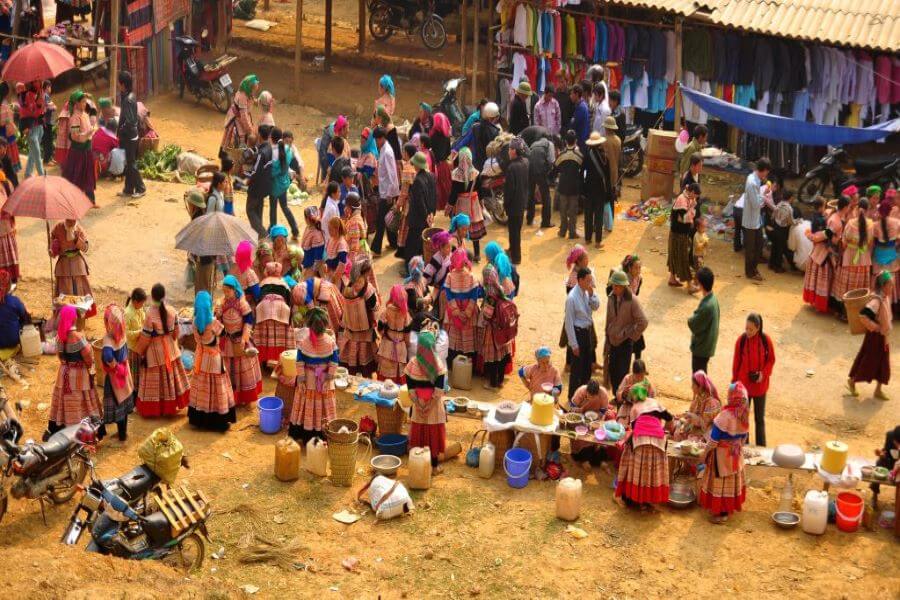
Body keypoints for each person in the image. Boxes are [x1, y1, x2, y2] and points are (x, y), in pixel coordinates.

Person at [133, 284, 189, 417]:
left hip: (154, 352)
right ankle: (170, 406)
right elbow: (176, 333)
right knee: (171, 379)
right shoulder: (172, 310)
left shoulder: (150, 313)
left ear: (152, 297)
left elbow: (146, 337)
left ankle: (155, 409)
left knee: (154, 381)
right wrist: (172, 341)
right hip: (170, 349)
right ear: (164, 295)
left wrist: (139, 351)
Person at [615, 384, 672, 510]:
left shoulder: (635, 408)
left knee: (636, 468)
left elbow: (635, 429)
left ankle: (631, 497)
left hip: (641, 440)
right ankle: (648, 499)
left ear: (634, 398)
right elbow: (670, 418)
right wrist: (665, 430)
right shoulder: (656, 403)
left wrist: (626, 444)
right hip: (659, 441)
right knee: (651, 469)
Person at [47, 305, 101, 438]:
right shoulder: (78, 337)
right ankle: (81, 434)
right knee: (81, 402)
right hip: (79, 376)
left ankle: (61, 431)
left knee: (63, 401)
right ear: (72, 318)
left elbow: (60, 357)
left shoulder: (59, 337)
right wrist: (90, 369)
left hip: (64, 373)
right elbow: (89, 358)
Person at [699, 382, 750, 523]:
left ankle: (721, 514)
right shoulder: (744, 415)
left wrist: (704, 454)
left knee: (720, 485)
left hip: (721, 457)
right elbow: (744, 438)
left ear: (731, 397)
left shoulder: (724, 416)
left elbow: (713, 440)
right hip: (735, 455)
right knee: (731, 484)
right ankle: (727, 509)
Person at [288, 307, 340, 442]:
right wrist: (329, 376)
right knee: (323, 408)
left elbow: (299, 361)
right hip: (324, 382)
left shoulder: (304, 342)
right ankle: (323, 433)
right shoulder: (330, 342)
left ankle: (306, 434)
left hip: (308, 380)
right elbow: (334, 360)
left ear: (309, 326)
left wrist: (301, 377)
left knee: (307, 407)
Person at [406, 329, 452, 473]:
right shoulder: (438, 364)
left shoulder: (412, 364)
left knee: (419, 434)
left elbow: (411, 389)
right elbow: (438, 391)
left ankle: (419, 465)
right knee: (433, 434)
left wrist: (419, 405)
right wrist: (429, 406)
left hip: (418, 403)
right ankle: (434, 466)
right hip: (433, 406)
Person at [847, 271, 893, 401]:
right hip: (875, 337)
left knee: (884, 364)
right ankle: (852, 381)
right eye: (890, 285)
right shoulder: (876, 301)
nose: (892, 287)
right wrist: (875, 327)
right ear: (883, 286)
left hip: (883, 337)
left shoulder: (885, 297)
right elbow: (863, 315)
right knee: (868, 361)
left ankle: (878, 390)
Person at [217, 275, 263, 405]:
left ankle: (243, 397)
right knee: (228, 367)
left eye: (228, 291)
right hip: (227, 340)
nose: (226, 294)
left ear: (234, 289)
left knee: (241, 367)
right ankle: (231, 396)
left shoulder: (242, 303)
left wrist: (244, 338)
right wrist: (218, 314)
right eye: (224, 291)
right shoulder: (222, 302)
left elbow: (249, 321)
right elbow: (219, 321)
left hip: (240, 340)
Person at [731, 313, 775, 446]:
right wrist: (734, 384)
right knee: (743, 419)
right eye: (746, 328)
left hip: (760, 387)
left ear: (758, 328)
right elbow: (736, 363)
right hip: (744, 388)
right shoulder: (741, 340)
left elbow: (771, 360)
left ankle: (762, 448)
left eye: (751, 329)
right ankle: (744, 447)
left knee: (759, 419)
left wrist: (762, 374)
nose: (748, 332)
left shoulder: (766, 340)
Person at [804, 195, 849, 313]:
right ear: (845, 207)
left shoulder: (832, 215)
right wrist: (813, 237)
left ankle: (817, 302)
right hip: (826, 252)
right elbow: (826, 235)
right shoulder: (836, 220)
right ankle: (820, 304)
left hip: (822, 250)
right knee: (824, 279)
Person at [605, 269, 648, 395]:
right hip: (613, 342)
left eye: (617, 285)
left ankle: (621, 400)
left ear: (624, 286)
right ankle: (615, 396)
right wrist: (607, 336)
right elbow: (609, 319)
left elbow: (643, 321)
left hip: (625, 343)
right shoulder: (611, 297)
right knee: (613, 372)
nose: (614, 288)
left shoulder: (632, 301)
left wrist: (630, 335)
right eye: (613, 285)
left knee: (622, 374)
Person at [99, 304, 135, 441]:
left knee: (117, 403)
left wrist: (113, 365)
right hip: (125, 372)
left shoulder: (108, 339)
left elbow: (107, 356)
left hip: (115, 376)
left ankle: (121, 435)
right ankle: (123, 433)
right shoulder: (123, 334)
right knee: (124, 402)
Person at [339, 258, 380, 376]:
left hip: (351, 331)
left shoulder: (347, 288)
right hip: (365, 334)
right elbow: (375, 308)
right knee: (364, 361)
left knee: (352, 360)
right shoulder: (368, 290)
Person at [479, 257, 515, 390]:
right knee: (502, 356)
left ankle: (492, 383)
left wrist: (482, 317)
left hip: (493, 331)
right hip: (503, 330)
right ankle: (500, 381)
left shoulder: (490, 294)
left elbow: (487, 315)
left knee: (493, 358)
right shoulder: (500, 290)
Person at [565, 267, 600, 399]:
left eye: (591, 280)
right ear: (580, 280)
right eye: (588, 281)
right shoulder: (572, 298)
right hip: (578, 334)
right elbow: (569, 323)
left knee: (587, 367)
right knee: (577, 369)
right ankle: (572, 398)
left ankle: (585, 395)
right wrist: (573, 344)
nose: (590, 283)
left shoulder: (587, 292)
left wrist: (592, 294)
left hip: (587, 333)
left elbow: (596, 306)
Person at [442, 248, 480, 364]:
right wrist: (467, 313)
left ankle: (452, 364)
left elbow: (449, 296)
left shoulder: (449, 276)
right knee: (468, 338)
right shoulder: (472, 276)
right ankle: (468, 366)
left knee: (454, 337)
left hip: (454, 313)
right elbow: (474, 297)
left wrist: (456, 311)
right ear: (465, 261)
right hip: (469, 311)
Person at [834, 198, 874, 305]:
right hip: (863, 258)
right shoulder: (871, 224)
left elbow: (844, 242)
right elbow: (870, 244)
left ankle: (843, 309)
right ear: (868, 209)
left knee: (847, 284)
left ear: (857, 208)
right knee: (860, 285)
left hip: (849, 257)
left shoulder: (850, 223)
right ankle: (858, 306)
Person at [49, 220, 95, 315]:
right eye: (69, 219)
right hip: (63, 267)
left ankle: (80, 315)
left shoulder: (79, 229)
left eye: (73, 219)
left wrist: (77, 239)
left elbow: (85, 248)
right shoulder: (58, 228)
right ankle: (66, 316)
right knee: (65, 292)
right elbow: (53, 250)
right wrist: (52, 250)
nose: (71, 221)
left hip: (78, 266)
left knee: (79, 290)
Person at [253, 262, 293, 368]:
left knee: (265, 336)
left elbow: (257, 298)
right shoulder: (284, 284)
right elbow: (289, 301)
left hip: (263, 309)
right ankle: (283, 361)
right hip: (281, 310)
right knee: (280, 337)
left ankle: (264, 361)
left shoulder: (262, 283)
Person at [448, 147, 485, 261]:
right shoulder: (476, 173)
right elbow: (480, 190)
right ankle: (477, 254)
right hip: (473, 203)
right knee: (473, 228)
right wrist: (481, 203)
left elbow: (453, 193)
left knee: (460, 228)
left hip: (461, 204)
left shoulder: (456, 174)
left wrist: (449, 206)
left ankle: (460, 253)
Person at [568, 379, 615, 465]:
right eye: (589, 395)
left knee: (609, 419)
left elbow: (603, 411)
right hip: (580, 417)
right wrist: (579, 410)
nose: (591, 398)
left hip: (596, 417)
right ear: (587, 391)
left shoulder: (603, 394)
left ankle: (599, 454)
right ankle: (583, 456)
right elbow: (571, 408)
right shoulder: (581, 391)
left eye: (593, 396)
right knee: (580, 430)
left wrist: (597, 420)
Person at [61, 91, 97, 203]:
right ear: (76, 103)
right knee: (76, 176)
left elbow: (88, 131)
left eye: (86, 102)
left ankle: (91, 200)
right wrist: (87, 134)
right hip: (78, 153)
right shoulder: (75, 118)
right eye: (83, 102)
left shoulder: (85, 115)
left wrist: (91, 131)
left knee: (89, 175)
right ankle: (74, 200)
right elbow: (74, 136)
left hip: (87, 151)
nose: (85, 104)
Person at [116, 71, 146, 199]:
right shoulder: (129, 95)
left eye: (119, 83)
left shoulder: (128, 99)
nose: (118, 85)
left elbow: (129, 121)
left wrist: (121, 130)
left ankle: (141, 187)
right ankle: (128, 188)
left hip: (129, 136)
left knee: (131, 163)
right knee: (128, 163)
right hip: (130, 135)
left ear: (122, 84)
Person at [371, 126, 400, 256]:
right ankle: (394, 242)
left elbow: (392, 175)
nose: (376, 142)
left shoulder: (387, 152)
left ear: (382, 139)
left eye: (377, 140)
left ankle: (376, 248)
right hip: (385, 190)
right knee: (389, 218)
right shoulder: (383, 149)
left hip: (387, 192)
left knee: (381, 220)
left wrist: (390, 194)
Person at [404, 151, 437, 263]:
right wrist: (431, 214)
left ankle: (410, 268)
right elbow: (434, 196)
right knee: (422, 243)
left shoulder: (417, 180)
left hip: (418, 218)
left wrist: (425, 216)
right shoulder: (431, 176)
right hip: (428, 216)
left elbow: (419, 202)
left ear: (417, 165)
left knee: (412, 244)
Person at [686, 266, 720, 374]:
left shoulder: (707, 306)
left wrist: (690, 318)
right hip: (708, 345)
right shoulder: (713, 299)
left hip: (701, 347)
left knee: (698, 378)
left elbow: (693, 324)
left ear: (700, 284)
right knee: (702, 375)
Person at [742, 158, 771, 282]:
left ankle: (753, 269)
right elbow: (756, 204)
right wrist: (765, 196)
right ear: (763, 171)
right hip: (750, 221)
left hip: (755, 220)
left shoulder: (755, 179)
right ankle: (750, 272)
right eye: (767, 172)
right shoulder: (752, 183)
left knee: (759, 245)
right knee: (751, 249)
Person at [376, 284, 412, 382]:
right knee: (399, 374)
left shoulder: (386, 311)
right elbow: (407, 336)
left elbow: (379, 329)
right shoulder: (406, 315)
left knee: (385, 374)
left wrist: (384, 334)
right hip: (400, 347)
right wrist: (407, 347)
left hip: (387, 347)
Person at [269, 127, 300, 239]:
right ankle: (295, 230)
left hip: (274, 185)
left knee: (273, 208)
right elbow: (285, 165)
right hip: (284, 183)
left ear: (272, 138)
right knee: (285, 207)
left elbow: (272, 171)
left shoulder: (272, 152)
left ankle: (272, 229)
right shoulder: (288, 150)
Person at [674, 370, 721, 442]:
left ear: (700, 387)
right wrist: (685, 417)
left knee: (692, 441)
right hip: (696, 429)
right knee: (677, 426)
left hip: (707, 432)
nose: (691, 387)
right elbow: (691, 414)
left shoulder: (711, 403)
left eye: (693, 385)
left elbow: (705, 425)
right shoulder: (698, 398)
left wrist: (691, 416)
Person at [666, 183, 698, 287]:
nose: (696, 198)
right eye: (696, 195)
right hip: (679, 234)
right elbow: (683, 219)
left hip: (677, 233)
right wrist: (691, 210)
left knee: (675, 255)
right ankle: (690, 285)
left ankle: (672, 279)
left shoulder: (688, 198)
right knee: (683, 258)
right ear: (692, 192)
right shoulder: (682, 200)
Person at [582, 132, 611, 248]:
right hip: (600, 190)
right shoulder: (604, 157)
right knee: (598, 216)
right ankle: (598, 241)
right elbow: (607, 177)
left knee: (588, 215)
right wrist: (608, 192)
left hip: (588, 189)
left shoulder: (587, 156)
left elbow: (582, 173)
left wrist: (582, 189)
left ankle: (588, 239)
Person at [553, 130, 583, 240]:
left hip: (563, 187)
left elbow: (554, 168)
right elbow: (583, 170)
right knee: (573, 211)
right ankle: (572, 233)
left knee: (563, 210)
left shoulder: (561, 155)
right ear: (576, 141)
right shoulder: (579, 156)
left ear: (565, 141)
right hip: (574, 188)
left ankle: (562, 231)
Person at [504, 137, 529, 264]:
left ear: (514, 151)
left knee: (514, 232)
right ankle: (512, 250)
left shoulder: (511, 168)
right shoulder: (525, 163)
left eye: (510, 149)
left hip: (513, 204)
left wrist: (505, 204)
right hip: (522, 202)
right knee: (516, 230)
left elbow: (509, 190)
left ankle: (516, 257)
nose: (508, 151)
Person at [246, 125, 273, 239]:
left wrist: (248, 179)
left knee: (250, 210)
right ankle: (258, 237)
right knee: (258, 210)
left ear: (260, 135)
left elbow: (255, 171)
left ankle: (263, 234)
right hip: (265, 186)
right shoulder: (270, 149)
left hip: (256, 187)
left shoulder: (262, 152)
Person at [873, 199, 899, 307]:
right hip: (892, 255)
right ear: (890, 211)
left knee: (879, 279)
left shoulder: (875, 224)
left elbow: (874, 242)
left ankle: (879, 303)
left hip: (879, 255)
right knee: (891, 279)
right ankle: (892, 304)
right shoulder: (897, 222)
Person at [222, 74, 258, 152]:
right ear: (250, 87)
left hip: (239, 116)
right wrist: (249, 130)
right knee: (239, 137)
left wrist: (256, 101)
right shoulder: (243, 96)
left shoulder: (247, 91)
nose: (256, 88)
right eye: (254, 87)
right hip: (237, 119)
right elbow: (243, 116)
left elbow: (251, 98)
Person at [614, 359, 656, 425]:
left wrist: (646, 399)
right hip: (627, 408)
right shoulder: (627, 379)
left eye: (641, 376)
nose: (639, 379)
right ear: (633, 373)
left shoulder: (647, 383)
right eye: (637, 376)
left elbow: (652, 400)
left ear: (645, 373)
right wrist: (623, 393)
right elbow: (618, 396)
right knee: (621, 425)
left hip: (642, 410)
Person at [528, 133, 555, 229]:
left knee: (530, 194)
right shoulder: (550, 144)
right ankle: (546, 222)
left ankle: (529, 219)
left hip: (529, 170)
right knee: (546, 197)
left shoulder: (534, 144)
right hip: (540, 171)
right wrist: (550, 175)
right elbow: (551, 161)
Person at [0, 270, 28, 358]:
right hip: (12, 342)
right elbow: (24, 316)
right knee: (23, 320)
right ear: (9, 285)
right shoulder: (14, 301)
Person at [769, 190, 799, 272]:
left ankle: (771, 264)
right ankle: (778, 267)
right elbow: (791, 222)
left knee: (774, 247)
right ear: (791, 198)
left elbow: (773, 215)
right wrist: (798, 221)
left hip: (775, 227)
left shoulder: (779, 204)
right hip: (782, 230)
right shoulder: (789, 208)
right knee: (780, 248)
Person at [870, 425, 900, 504]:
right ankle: (874, 494)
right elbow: (886, 450)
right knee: (879, 463)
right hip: (890, 461)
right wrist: (881, 454)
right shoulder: (890, 435)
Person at [21, 81, 45, 177]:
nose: (39, 81)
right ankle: (42, 176)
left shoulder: (40, 93)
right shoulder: (28, 95)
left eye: (40, 80)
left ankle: (27, 174)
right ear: (32, 82)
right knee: (37, 154)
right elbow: (33, 113)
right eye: (37, 80)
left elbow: (42, 110)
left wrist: (41, 103)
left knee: (32, 153)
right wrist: (39, 104)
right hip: (31, 128)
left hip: (39, 127)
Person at [124, 288, 146, 389]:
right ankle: (134, 393)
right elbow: (126, 333)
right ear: (135, 301)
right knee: (134, 374)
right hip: (132, 348)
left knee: (140, 372)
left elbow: (144, 320)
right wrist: (139, 332)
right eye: (141, 303)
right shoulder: (128, 313)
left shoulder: (139, 308)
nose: (142, 305)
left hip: (140, 345)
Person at [469, 101, 501, 170]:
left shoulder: (475, 127)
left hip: (476, 164)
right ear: (494, 117)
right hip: (489, 165)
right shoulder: (495, 131)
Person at [317, 115, 349, 181]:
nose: (348, 131)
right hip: (330, 169)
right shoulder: (332, 143)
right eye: (347, 128)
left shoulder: (341, 140)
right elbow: (326, 159)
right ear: (342, 130)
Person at [300, 207, 326, 279]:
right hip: (307, 264)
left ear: (307, 219)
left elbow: (318, 257)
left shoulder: (316, 234)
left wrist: (313, 271)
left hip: (312, 267)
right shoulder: (308, 228)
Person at [0, 83, 20, 173]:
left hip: (6, 131)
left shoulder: (5, 102)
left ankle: (8, 168)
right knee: (6, 150)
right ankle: (10, 168)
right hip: (5, 132)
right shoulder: (3, 103)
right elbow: (3, 119)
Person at [325, 217, 349, 287]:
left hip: (338, 276)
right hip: (330, 272)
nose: (329, 231)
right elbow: (328, 255)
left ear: (337, 229)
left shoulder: (341, 243)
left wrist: (335, 277)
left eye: (330, 229)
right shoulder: (331, 239)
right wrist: (326, 264)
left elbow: (342, 263)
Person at [602, 116, 622, 201]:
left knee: (605, 193)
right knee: (613, 191)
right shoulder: (618, 140)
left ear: (606, 128)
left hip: (606, 171)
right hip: (615, 170)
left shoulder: (604, 140)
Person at [568, 85, 590, 152]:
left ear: (577, 94)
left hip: (581, 141)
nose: (570, 96)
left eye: (572, 94)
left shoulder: (581, 108)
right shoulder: (580, 104)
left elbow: (574, 124)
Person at [0, 202, 18, 282]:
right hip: (4, 232)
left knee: (9, 256)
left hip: (7, 232)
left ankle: (12, 278)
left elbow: (12, 214)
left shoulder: (4, 194)